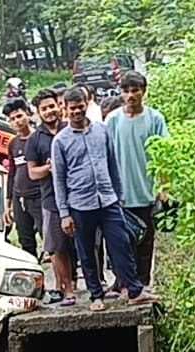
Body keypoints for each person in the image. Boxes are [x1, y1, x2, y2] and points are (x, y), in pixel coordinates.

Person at [52, 86, 150, 311]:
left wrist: (119, 195)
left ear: (87, 105)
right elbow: (58, 179)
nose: (77, 111)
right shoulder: (60, 141)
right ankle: (96, 295)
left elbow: (113, 164)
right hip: (80, 204)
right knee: (87, 252)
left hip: (108, 200)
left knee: (121, 243)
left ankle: (134, 290)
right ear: (65, 110)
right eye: (72, 108)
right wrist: (64, 214)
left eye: (80, 107)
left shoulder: (101, 131)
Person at [104, 71, 168, 286]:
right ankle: (122, 281)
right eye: (126, 91)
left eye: (135, 91)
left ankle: (143, 283)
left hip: (146, 191)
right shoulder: (112, 120)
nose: (131, 95)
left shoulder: (155, 119)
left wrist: (165, 186)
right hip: (118, 194)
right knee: (120, 241)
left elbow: (164, 155)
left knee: (145, 242)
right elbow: (104, 154)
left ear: (143, 92)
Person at [26, 88, 78, 306]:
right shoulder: (35, 139)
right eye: (44, 109)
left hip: (78, 196)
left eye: (51, 106)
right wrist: (48, 168)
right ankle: (67, 290)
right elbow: (32, 172)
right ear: (38, 112)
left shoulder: (71, 129)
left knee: (86, 243)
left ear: (59, 105)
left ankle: (95, 284)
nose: (49, 111)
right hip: (51, 199)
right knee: (57, 247)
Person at [3, 98, 42, 259]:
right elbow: (12, 173)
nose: (17, 122)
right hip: (20, 199)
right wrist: (9, 204)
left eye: (19, 116)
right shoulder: (13, 143)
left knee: (51, 240)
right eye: (12, 119)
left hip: (40, 197)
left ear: (28, 114)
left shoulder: (40, 138)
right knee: (25, 240)